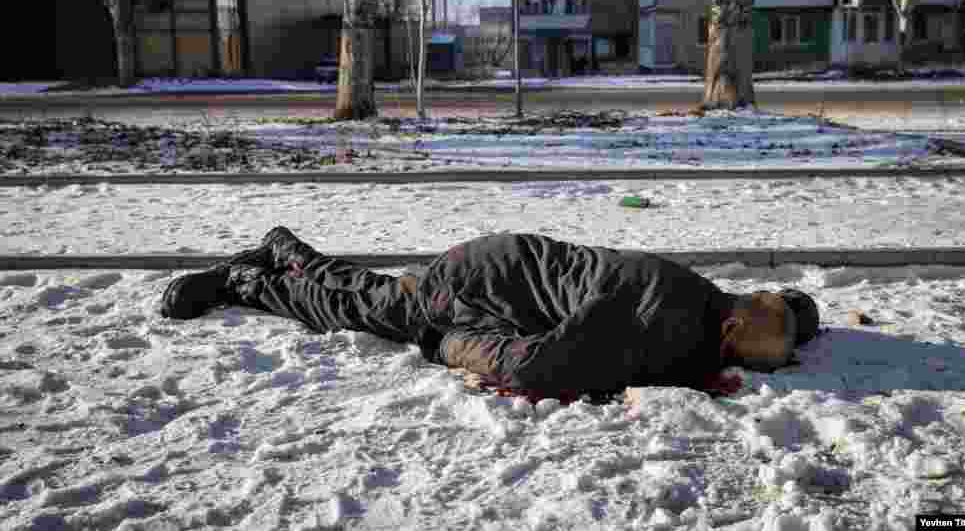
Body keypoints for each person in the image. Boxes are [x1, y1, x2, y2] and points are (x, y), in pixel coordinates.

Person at [160, 228, 820, 397]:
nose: (745, 369)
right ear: (731, 329)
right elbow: (534, 368)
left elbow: (783, 319)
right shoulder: (656, 321)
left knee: (378, 296)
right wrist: (445, 346)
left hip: (501, 269)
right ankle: (244, 281)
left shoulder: (704, 298)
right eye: (746, 359)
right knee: (355, 311)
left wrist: (795, 325)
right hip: (474, 291)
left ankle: (284, 248)